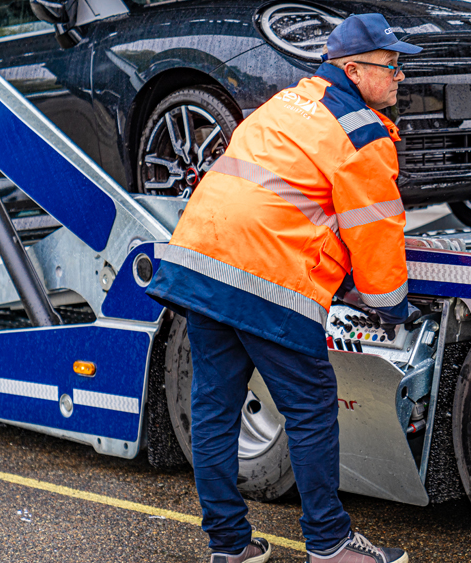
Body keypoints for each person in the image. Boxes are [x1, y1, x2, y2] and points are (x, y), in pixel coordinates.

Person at [145, 13, 421, 563]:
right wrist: (393, 308)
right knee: (312, 408)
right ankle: (329, 544)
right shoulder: (359, 131)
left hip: (202, 260)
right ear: (353, 69)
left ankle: (229, 547)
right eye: (390, 65)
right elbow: (375, 231)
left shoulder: (283, 104)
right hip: (266, 278)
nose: (399, 76)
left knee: (214, 407)